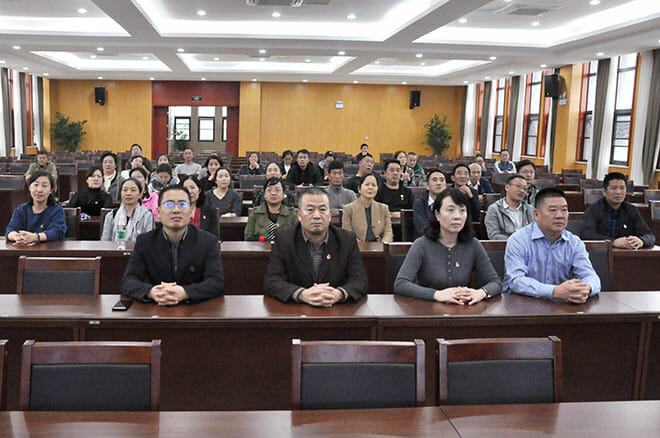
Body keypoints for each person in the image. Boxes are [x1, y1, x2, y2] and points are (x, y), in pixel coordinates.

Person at [120, 185, 225, 304]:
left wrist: (185, 292)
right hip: (158, 307)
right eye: (169, 204)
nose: (176, 210)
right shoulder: (145, 241)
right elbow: (128, 281)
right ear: (158, 212)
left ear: (191, 211)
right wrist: (152, 292)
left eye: (182, 204)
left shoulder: (208, 241)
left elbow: (217, 282)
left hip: (196, 309)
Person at [394, 188, 501, 303]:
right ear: (437, 215)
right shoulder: (421, 245)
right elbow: (401, 284)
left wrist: (480, 293)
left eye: (462, 210)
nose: (457, 216)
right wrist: (436, 294)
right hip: (428, 308)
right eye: (450, 210)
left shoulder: (473, 245)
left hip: (461, 309)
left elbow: (495, 282)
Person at [263, 187, 368, 305]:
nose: (317, 215)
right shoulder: (284, 239)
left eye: (322, 209)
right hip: (297, 310)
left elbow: (360, 280)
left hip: (335, 308)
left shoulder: (346, 239)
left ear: (330, 215)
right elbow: (272, 281)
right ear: (299, 215)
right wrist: (302, 294)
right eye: (310, 210)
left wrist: (338, 294)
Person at [503, 188, 601, 303]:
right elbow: (515, 280)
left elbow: (589, 275)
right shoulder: (518, 240)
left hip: (560, 306)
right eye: (552, 210)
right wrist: (554, 291)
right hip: (521, 304)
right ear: (536, 214)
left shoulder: (574, 242)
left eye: (564, 210)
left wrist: (586, 288)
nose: (559, 216)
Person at [578, 172, 655, 248]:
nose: (618, 192)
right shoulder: (594, 209)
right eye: (614, 188)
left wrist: (642, 241)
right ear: (604, 191)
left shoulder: (631, 210)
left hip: (626, 253)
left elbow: (650, 236)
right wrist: (613, 242)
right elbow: (586, 234)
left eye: (622, 188)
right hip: (601, 253)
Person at [6, 171, 66, 243]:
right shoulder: (21, 210)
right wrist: (16, 236)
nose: (39, 190)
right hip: (25, 248)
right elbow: (10, 230)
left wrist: (35, 237)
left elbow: (57, 231)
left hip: (50, 249)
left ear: (51, 190)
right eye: (36, 185)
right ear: (29, 187)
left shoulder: (57, 210)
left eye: (44, 186)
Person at [342, 173, 393, 242]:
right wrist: (360, 246)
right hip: (356, 246)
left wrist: (383, 245)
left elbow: (388, 232)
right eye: (367, 184)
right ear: (359, 189)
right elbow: (347, 234)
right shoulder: (348, 209)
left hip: (379, 246)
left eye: (373, 185)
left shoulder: (384, 208)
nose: (370, 187)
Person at [244, 177, 298, 242]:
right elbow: (248, 237)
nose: (273, 193)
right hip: (259, 248)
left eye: (277, 190)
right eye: (269, 190)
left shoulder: (291, 214)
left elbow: (297, 238)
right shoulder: (255, 213)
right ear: (264, 195)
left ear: (283, 194)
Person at [485, 174, 534, 240]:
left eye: (525, 188)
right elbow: (493, 235)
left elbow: (535, 231)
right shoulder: (494, 209)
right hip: (505, 245)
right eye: (518, 186)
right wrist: (515, 241)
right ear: (507, 187)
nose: (522, 191)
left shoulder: (530, 209)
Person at [412, 169, 447, 239]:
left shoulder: (451, 203)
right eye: (435, 180)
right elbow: (422, 228)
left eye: (442, 180)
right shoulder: (419, 204)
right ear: (427, 186)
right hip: (426, 240)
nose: (439, 183)